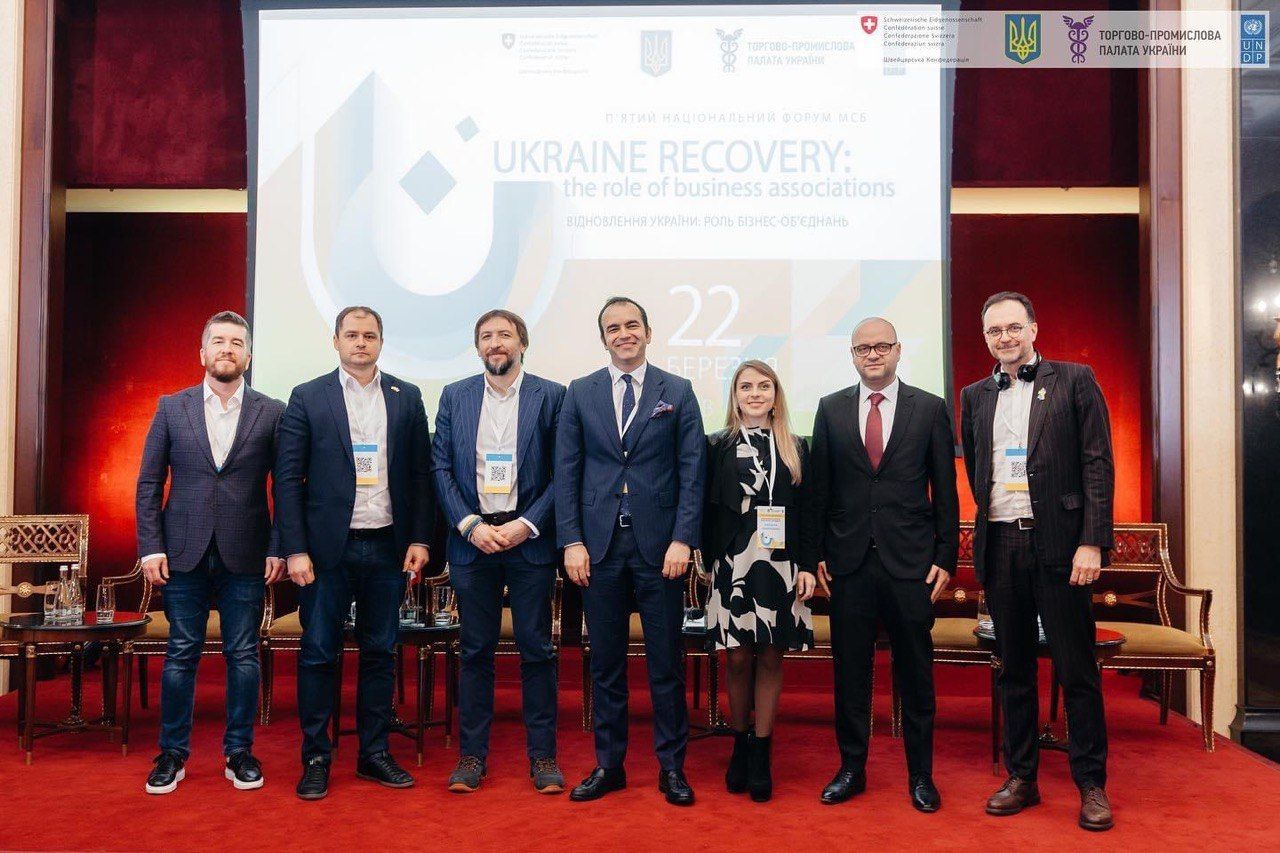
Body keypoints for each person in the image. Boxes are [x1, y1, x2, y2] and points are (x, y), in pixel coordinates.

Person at [959, 291, 1116, 832]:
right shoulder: (974, 395)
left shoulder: (1074, 380)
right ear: (985, 338)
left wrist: (1092, 541)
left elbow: (1098, 463)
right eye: (994, 331)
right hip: (1001, 543)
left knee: (1076, 670)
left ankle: (1091, 783)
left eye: (1012, 327)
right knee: (1014, 670)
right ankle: (1021, 776)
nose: (1004, 337)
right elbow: (977, 467)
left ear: (1032, 328)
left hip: (1062, 546)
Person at [275, 306, 435, 800]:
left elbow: (421, 476)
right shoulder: (307, 396)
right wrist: (295, 549)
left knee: (381, 653)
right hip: (327, 551)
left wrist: (420, 538)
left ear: (381, 342)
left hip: (388, 547)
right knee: (319, 653)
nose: (360, 343)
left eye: (369, 335)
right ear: (336, 341)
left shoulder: (407, 396)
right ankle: (316, 757)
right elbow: (288, 479)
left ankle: (373, 753)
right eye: (352, 335)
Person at [556, 296, 706, 806]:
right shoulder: (580, 392)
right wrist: (572, 541)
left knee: (666, 664)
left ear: (648, 331)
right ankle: (609, 765)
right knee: (606, 666)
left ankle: (672, 768)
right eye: (613, 327)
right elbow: (567, 472)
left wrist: (683, 538)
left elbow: (692, 471)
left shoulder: (677, 391)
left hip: (661, 549)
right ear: (603, 338)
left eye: (632, 325)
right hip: (597, 549)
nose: (624, 333)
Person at [807, 317, 959, 812]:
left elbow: (945, 488)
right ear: (852, 355)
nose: (872, 355)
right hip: (847, 564)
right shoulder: (830, 408)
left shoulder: (929, 408)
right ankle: (851, 769)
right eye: (862, 348)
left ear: (898, 350)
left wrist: (946, 556)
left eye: (881, 346)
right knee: (850, 673)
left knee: (916, 674)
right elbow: (819, 490)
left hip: (911, 565)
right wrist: (815, 554)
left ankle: (921, 775)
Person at [134, 310, 286, 795]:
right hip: (183, 551)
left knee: (243, 654)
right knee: (181, 653)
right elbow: (149, 482)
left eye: (236, 342)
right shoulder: (171, 407)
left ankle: (239, 752)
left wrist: (280, 546)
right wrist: (150, 547)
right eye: (218, 341)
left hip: (248, 551)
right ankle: (172, 754)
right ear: (202, 353)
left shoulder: (272, 411)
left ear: (248, 355)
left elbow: (286, 486)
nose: (227, 349)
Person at [431, 309, 566, 794]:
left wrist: (526, 525)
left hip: (528, 541)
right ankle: (472, 757)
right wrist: (469, 525)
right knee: (475, 651)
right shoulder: (456, 395)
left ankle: (543, 757)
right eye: (486, 336)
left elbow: (563, 471)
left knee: (537, 650)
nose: (495, 343)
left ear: (522, 343)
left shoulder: (552, 396)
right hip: (473, 542)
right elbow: (440, 467)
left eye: (505, 335)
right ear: (477, 347)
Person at [702, 359, 817, 803]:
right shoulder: (716, 444)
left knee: (770, 656)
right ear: (735, 396)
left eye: (763, 386)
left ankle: (762, 752)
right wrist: (705, 558)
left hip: (782, 564)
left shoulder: (796, 446)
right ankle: (739, 743)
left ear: (775, 394)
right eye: (746, 387)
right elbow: (707, 507)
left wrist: (807, 565)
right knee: (736, 659)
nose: (754, 394)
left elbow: (808, 511)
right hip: (733, 563)